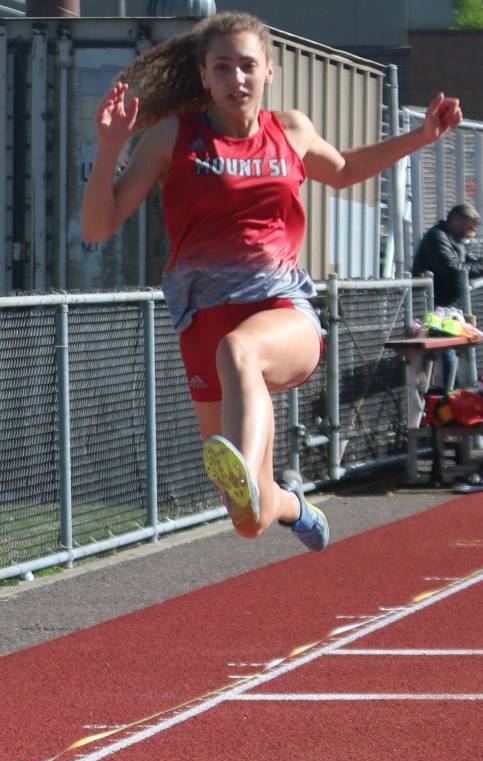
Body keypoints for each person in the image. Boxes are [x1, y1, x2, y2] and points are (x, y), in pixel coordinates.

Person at [81, 10, 463, 550]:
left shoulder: (291, 130)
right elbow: (97, 228)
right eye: (222, 67)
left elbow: (347, 169)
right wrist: (106, 149)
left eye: (246, 66)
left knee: (240, 351)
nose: (236, 78)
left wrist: (421, 136)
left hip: (282, 311)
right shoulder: (172, 138)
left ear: (269, 72)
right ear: (204, 75)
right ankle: (290, 502)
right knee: (249, 516)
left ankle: (247, 465)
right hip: (201, 320)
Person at [412, 202, 482, 387]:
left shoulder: (455, 241)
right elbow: (452, 268)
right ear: (456, 220)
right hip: (430, 309)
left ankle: (449, 396)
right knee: (447, 354)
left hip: (445, 309)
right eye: (469, 228)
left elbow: (469, 263)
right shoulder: (437, 237)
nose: (471, 233)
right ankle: (445, 399)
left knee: (451, 353)